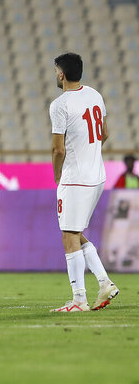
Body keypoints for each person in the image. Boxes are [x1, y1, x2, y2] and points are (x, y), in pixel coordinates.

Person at [49, 53, 119, 312]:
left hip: (75, 179)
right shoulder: (95, 95)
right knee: (76, 233)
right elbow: (105, 133)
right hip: (97, 176)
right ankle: (104, 282)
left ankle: (79, 300)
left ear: (61, 74)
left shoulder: (60, 104)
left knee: (69, 236)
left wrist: (57, 175)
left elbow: (58, 150)